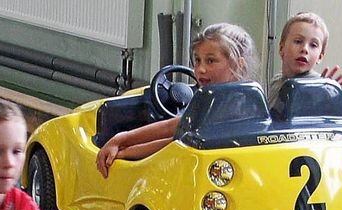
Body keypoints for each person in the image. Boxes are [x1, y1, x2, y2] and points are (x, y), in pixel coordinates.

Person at [96, 22, 257, 178]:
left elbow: (173, 143)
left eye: (211, 61)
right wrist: (122, 139)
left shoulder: (226, 106)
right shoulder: (229, 99)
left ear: (238, 65)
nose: (200, 69)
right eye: (197, 60)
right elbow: (174, 127)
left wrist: (123, 151)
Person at [268, 12, 342, 105]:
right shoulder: (276, 81)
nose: (304, 49)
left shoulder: (318, 87)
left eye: (313, 45)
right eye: (298, 41)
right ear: (281, 48)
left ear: (320, 57)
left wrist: (325, 96)